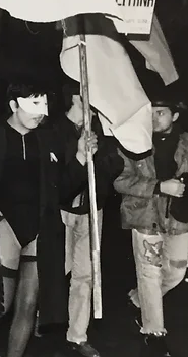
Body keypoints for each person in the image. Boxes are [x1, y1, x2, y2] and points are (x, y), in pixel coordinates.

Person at [0, 83, 94, 357]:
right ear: (14, 105)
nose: (42, 112)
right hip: (3, 223)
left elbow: (61, 188)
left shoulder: (48, 140)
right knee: (1, 306)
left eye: (45, 104)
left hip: (38, 227)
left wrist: (81, 158)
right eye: (34, 104)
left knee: (28, 303)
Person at [114, 94, 188, 357]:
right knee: (150, 274)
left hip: (179, 218)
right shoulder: (134, 144)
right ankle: (153, 332)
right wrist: (158, 187)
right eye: (152, 112)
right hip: (146, 217)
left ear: (175, 116)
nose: (155, 118)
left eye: (162, 112)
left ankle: (138, 299)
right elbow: (119, 180)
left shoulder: (186, 142)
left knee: (177, 271)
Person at [55, 85, 121, 357]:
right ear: (74, 97)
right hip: (60, 211)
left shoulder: (103, 130)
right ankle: (39, 313)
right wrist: (80, 152)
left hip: (92, 210)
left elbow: (117, 166)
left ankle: (77, 334)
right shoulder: (54, 129)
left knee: (85, 275)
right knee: (57, 269)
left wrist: (100, 149)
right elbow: (55, 173)